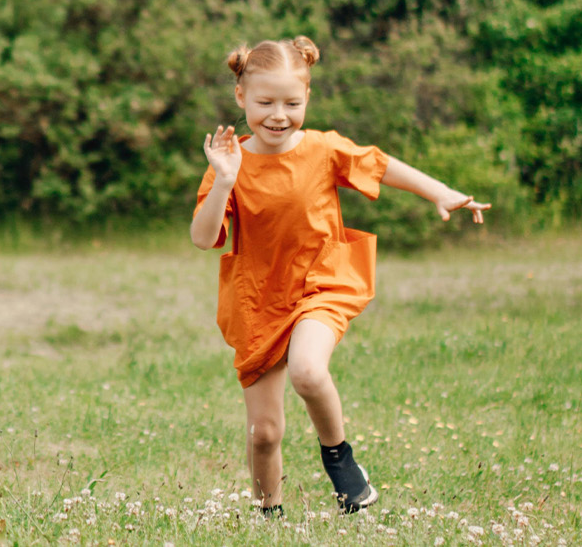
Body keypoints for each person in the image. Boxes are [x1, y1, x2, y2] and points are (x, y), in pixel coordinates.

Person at [189, 36, 489, 517]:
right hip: (257, 299)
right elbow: (204, 239)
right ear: (242, 97)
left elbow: (381, 165)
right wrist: (223, 179)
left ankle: (340, 459)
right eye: (265, 102)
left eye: (292, 102)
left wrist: (441, 191)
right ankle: (269, 517)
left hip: (321, 283)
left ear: (308, 96)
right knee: (265, 434)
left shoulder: (323, 149)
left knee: (308, 370)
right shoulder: (230, 162)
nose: (279, 114)